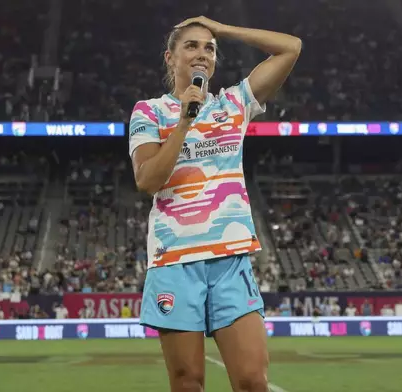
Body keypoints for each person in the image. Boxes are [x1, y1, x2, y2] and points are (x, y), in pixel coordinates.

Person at [128, 16, 301, 392]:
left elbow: (291, 47)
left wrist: (221, 29)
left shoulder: (234, 103)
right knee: (188, 382)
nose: (202, 54)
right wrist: (184, 124)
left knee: (253, 381)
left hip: (230, 260)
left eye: (209, 48)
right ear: (169, 58)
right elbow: (148, 180)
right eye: (191, 46)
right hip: (175, 261)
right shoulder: (149, 111)